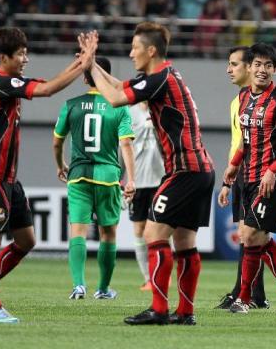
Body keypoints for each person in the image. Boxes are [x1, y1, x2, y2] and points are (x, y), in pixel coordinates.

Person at [84, 22, 215, 326]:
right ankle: (184, 312)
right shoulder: (166, 76)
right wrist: (93, 66)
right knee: (184, 242)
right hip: (200, 169)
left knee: (152, 235)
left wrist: (91, 70)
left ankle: (158, 308)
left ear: (151, 50)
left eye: (134, 48)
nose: (130, 53)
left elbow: (115, 99)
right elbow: (121, 88)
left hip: (184, 170)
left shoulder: (159, 79)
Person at [0, 27, 92, 323]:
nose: (26, 58)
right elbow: (47, 89)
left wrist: (82, 61)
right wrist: (83, 66)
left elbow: (45, 84)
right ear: (3, 57)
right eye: (21, 53)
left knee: (26, 240)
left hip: (8, 178)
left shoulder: (5, 82)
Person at [222, 43, 276, 315]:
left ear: (275, 69)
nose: (262, 70)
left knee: (250, 235)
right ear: (250, 67)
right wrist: (233, 166)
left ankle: (244, 299)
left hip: (273, 179)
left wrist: (273, 168)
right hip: (247, 176)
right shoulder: (243, 97)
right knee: (256, 238)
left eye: (268, 66)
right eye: (258, 64)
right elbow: (244, 140)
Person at [52, 56, 136, 300]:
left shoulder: (71, 104)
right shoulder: (119, 107)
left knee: (77, 230)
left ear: (85, 77)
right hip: (108, 177)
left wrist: (60, 165)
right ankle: (103, 289)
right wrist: (131, 178)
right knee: (108, 233)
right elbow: (126, 144)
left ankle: (79, 285)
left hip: (78, 175)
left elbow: (57, 142)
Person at [216, 46, 269, 310]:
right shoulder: (238, 100)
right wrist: (228, 180)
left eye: (234, 64)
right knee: (246, 235)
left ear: (249, 67)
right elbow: (239, 144)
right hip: (241, 174)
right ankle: (250, 293)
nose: (229, 69)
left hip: (260, 174)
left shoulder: (270, 101)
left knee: (254, 236)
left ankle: (249, 293)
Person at [128, 100, 165, 291]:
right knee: (139, 230)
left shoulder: (161, 110)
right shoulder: (129, 112)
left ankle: (160, 275)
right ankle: (148, 278)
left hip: (160, 179)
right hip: (139, 181)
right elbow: (123, 144)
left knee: (160, 230)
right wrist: (122, 176)